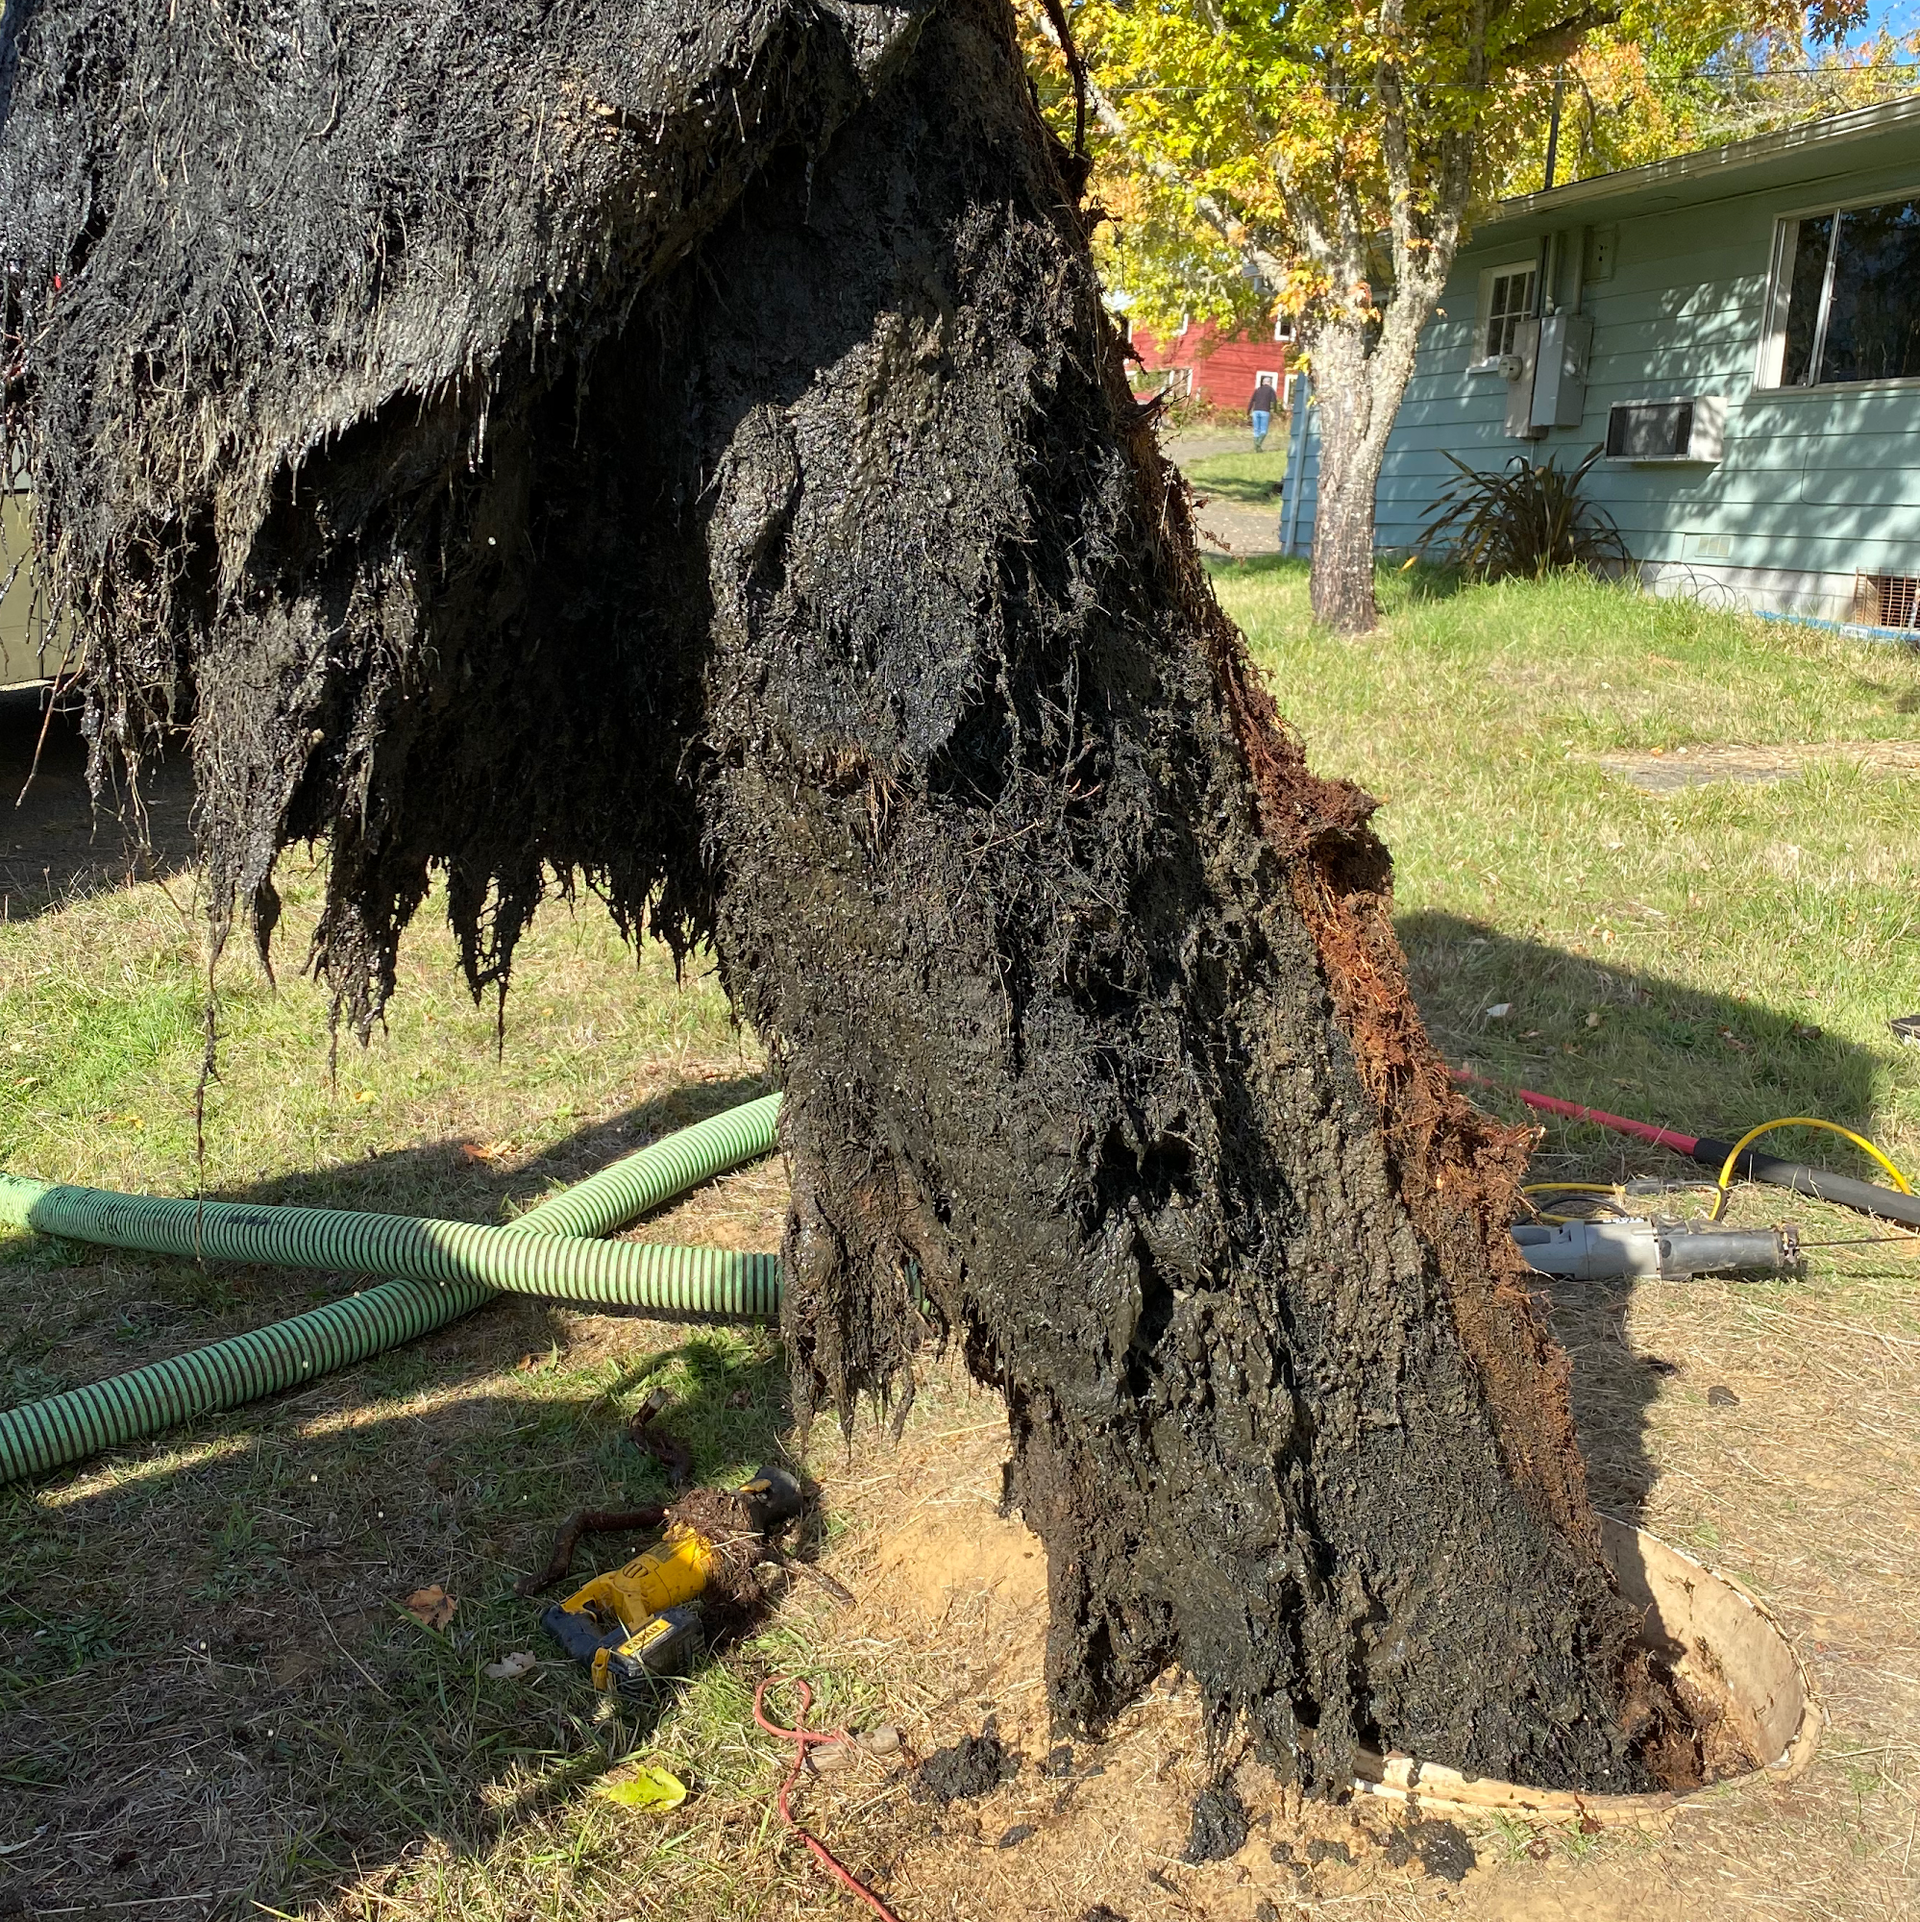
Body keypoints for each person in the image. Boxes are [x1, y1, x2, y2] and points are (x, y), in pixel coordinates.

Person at [1248, 375, 1278, 451]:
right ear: (1270, 383)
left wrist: (1248, 411)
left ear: (1263, 382)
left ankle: (1257, 448)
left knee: (1256, 430)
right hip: (1265, 411)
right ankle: (1258, 443)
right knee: (1264, 430)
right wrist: (1275, 411)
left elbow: (1252, 401)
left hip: (1256, 411)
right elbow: (1274, 401)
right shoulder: (1271, 390)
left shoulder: (1257, 390)